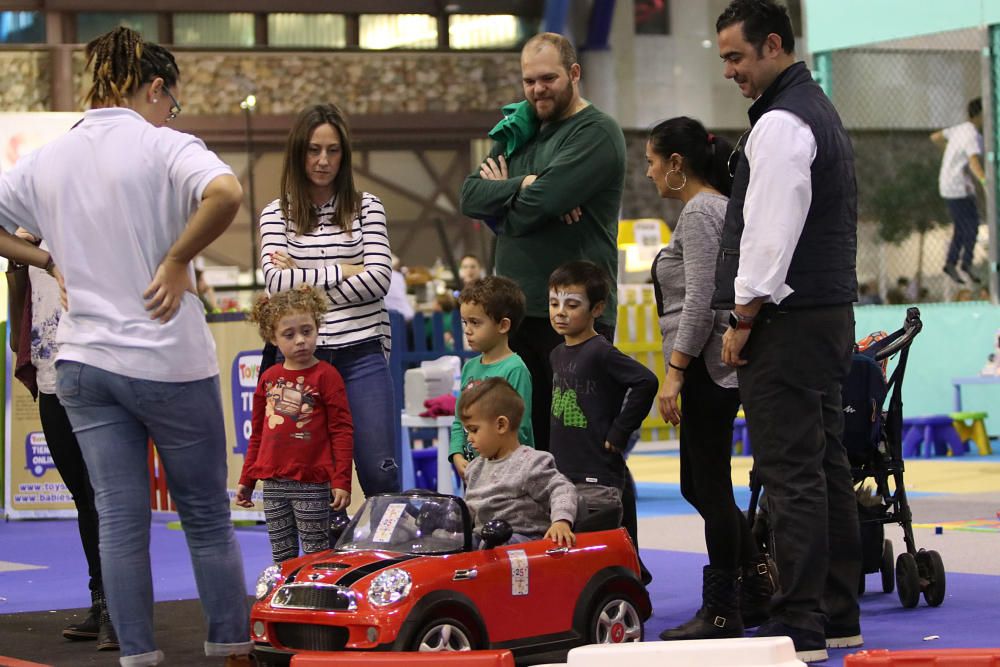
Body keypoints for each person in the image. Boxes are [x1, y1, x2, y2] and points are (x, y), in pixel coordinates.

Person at [0, 26, 252, 666]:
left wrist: (43, 255)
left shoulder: (47, 159)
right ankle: (229, 645)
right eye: (173, 102)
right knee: (203, 515)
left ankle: (137, 657)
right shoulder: (166, 145)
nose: (173, 114)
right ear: (156, 87)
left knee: (119, 521)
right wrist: (176, 259)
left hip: (83, 364)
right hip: (166, 357)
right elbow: (226, 193)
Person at [713, 1, 862, 662]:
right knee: (825, 466)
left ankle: (800, 622)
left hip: (786, 321)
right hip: (826, 315)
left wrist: (743, 316)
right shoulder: (818, 110)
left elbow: (769, 237)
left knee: (792, 471)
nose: (730, 72)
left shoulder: (780, 125)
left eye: (737, 58)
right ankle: (836, 611)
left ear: (774, 46)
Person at [459, 32, 626, 455]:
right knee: (525, 446)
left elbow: (541, 203)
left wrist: (512, 201)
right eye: (529, 81)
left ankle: (613, 525)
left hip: (575, 316)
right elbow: (469, 196)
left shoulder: (597, 133)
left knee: (586, 447)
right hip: (518, 316)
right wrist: (527, 186)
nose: (537, 89)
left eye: (547, 78)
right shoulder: (521, 130)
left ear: (574, 73)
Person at [646, 117, 772, 640]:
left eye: (653, 161)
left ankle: (723, 610)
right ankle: (761, 584)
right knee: (697, 484)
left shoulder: (701, 211)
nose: (649, 172)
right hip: (707, 362)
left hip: (703, 365)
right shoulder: (713, 208)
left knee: (711, 487)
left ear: (677, 164)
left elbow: (699, 299)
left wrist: (674, 372)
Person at [260, 102, 400, 497]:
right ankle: (325, 557)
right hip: (304, 359)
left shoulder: (368, 207)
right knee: (313, 476)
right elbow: (276, 284)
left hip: (363, 354)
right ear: (298, 152)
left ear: (345, 155)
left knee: (379, 471)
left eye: (333, 150)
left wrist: (303, 281)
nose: (323, 160)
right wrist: (345, 268)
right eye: (313, 149)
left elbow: (379, 280)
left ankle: (388, 555)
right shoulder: (275, 214)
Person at [8, 231, 118, 651]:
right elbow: (21, 331)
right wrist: (24, 260)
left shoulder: (90, 210)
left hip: (100, 370)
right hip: (52, 372)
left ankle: (120, 606)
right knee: (83, 497)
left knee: (104, 494)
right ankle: (102, 601)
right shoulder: (29, 222)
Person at [236, 285, 353, 563]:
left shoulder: (327, 375)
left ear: (317, 327)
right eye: (289, 335)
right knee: (282, 556)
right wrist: (247, 479)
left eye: (307, 331)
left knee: (316, 553)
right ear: (272, 338)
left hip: (312, 481)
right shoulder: (268, 378)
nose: (300, 340)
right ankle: (286, 600)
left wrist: (341, 480)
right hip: (273, 483)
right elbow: (259, 434)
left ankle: (315, 601)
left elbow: (341, 430)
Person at [547, 261, 657, 540]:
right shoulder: (557, 353)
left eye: (572, 305)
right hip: (564, 472)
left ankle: (631, 577)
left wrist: (621, 430)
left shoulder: (601, 351)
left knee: (601, 544)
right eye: (553, 303)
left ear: (596, 309)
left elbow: (646, 381)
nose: (560, 312)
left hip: (598, 474)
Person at [459, 377, 577, 546]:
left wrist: (561, 521)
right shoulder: (475, 469)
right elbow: (469, 511)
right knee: (455, 544)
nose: (469, 439)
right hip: (484, 542)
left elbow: (562, 489)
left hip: (524, 543)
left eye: (474, 430)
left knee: (494, 546)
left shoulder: (531, 463)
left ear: (501, 425)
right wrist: (446, 520)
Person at [448, 276, 534, 479]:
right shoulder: (470, 368)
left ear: (503, 326)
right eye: (465, 322)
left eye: (475, 323)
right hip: (474, 472)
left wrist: (494, 461)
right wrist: (457, 454)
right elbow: (460, 419)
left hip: (509, 475)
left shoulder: (515, 369)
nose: (467, 330)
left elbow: (519, 428)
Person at [931, 97, 985, 285]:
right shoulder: (971, 136)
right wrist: (985, 181)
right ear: (981, 114)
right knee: (972, 225)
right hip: (958, 186)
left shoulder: (960, 129)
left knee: (963, 227)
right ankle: (965, 263)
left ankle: (953, 262)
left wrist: (950, 153)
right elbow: (973, 161)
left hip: (947, 184)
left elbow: (935, 137)